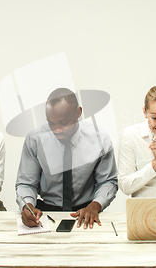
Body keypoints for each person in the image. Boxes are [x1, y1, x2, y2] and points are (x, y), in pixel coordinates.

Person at [16, 88, 118, 229]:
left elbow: (108, 181)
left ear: (78, 112)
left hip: (87, 210)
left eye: (64, 123)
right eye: (51, 123)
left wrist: (95, 206)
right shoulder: (35, 139)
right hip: (46, 211)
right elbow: (26, 183)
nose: (57, 130)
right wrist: (27, 206)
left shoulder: (100, 139)